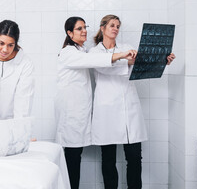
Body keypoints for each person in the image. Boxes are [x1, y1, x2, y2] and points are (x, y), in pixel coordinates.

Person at [89, 14, 175, 189]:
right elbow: (106, 67)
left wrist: (163, 61)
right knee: (108, 159)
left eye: (118, 26)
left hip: (130, 108)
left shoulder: (127, 48)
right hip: (107, 111)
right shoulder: (94, 52)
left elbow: (142, 64)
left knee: (135, 157)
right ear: (103, 28)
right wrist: (126, 60)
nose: (115, 28)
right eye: (112, 25)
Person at [54, 16, 136, 189]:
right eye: (79, 28)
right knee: (72, 160)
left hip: (81, 114)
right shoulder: (68, 52)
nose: (84, 31)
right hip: (71, 115)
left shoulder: (82, 51)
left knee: (76, 158)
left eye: (85, 27)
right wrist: (120, 55)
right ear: (69, 33)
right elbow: (93, 61)